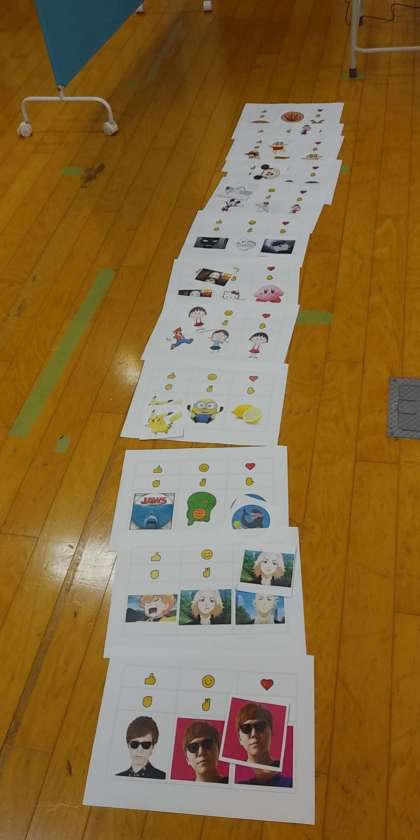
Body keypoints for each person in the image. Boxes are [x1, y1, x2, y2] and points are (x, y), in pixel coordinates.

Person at [235, 702, 279, 768]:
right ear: (239, 738)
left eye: (260, 726)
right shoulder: (234, 770)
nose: (254, 734)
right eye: (246, 728)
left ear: (271, 732)